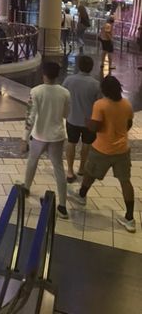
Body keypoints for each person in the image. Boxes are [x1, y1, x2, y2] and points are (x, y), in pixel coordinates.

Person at [69, 76, 136, 233]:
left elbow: (95, 128)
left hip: (102, 149)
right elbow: (129, 123)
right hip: (122, 150)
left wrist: (87, 122)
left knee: (89, 172)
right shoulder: (126, 104)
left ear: (104, 90)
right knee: (125, 181)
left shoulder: (101, 105)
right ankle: (130, 218)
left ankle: (82, 195)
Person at [22, 62, 70, 219]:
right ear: (57, 75)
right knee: (58, 168)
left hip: (39, 135)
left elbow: (31, 115)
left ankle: (26, 188)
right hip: (57, 135)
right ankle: (62, 205)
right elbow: (66, 114)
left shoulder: (36, 91)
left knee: (32, 162)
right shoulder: (65, 93)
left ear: (44, 75)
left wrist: (24, 138)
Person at [62, 55, 100, 183]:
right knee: (86, 144)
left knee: (71, 143)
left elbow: (63, 96)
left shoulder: (69, 80)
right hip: (89, 121)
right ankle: (82, 168)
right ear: (91, 67)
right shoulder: (95, 84)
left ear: (79, 66)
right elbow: (99, 103)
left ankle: (70, 170)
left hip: (72, 118)